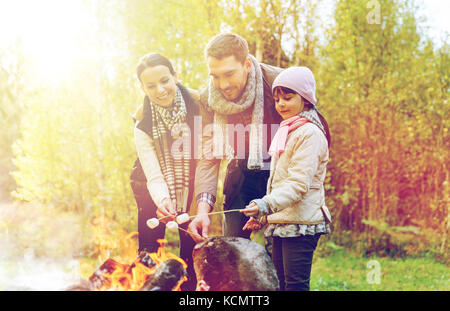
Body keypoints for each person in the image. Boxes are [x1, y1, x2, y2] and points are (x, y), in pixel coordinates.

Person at [240, 66, 332, 291]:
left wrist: (265, 204)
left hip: (301, 223)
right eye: (277, 99)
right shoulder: (288, 131)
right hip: (282, 221)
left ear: (306, 99)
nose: (280, 104)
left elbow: (298, 185)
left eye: (288, 98)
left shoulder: (309, 133)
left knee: (295, 286)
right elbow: (280, 182)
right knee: (279, 285)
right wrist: (265, 216)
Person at [188, 33, 284, 242]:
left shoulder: (278, 82)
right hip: (240, 170)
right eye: (215, 76)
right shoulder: (208, 99)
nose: (222, 85)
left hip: (282, 172)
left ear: (247, 64)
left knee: (280, 253)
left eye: (229, 74)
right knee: (233, 248)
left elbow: (312, 132)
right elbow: (208, 157)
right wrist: (203, 211)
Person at [129, 53, 199, 291]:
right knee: (149, 249)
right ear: (143, 88)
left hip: (191, 183)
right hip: (149, 185)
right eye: (151, 86)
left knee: (190, 250)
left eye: (164, 80)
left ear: (175, 77)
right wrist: (163, 199)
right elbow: (153, 173)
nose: (160, 90)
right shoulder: (142, 122)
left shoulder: (198, 106)